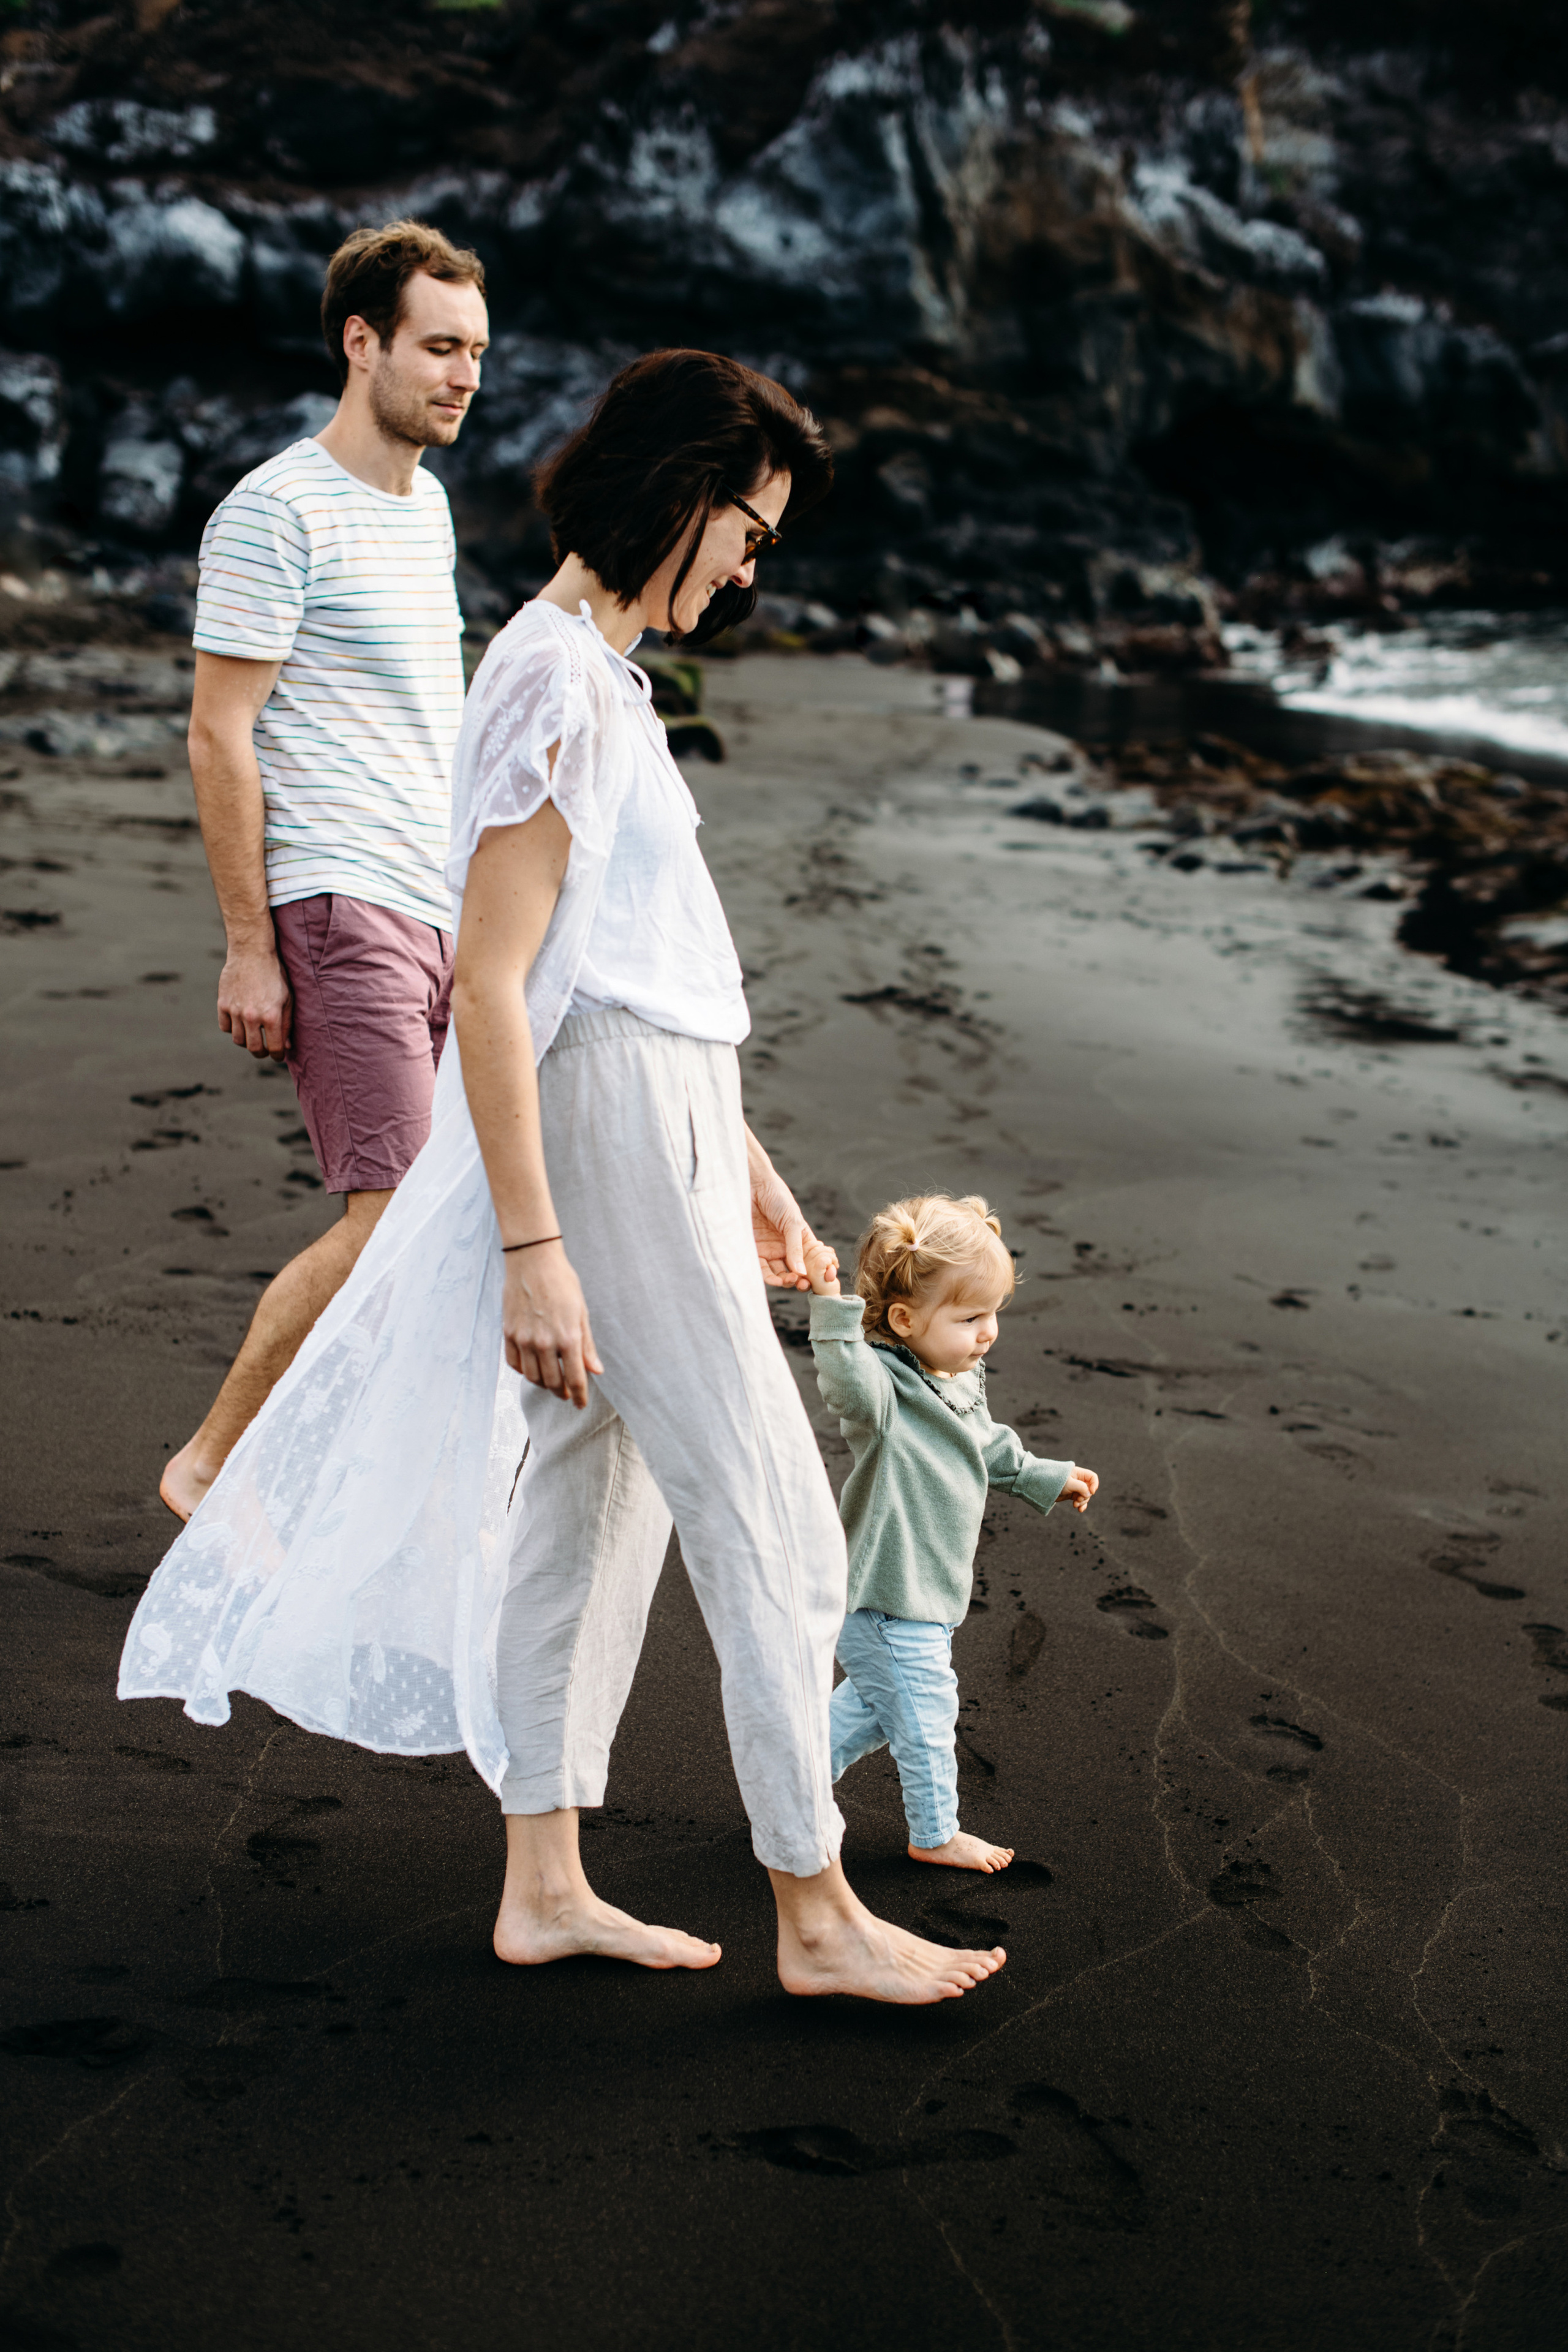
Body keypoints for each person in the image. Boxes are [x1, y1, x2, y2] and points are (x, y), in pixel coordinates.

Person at [121, 349, 1006, 2007]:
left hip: (651, 1119)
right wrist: (536, 1242)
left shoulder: (591, 675)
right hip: (598, 1142)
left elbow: (625, 972)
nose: (755, 565)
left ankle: (545, 1884)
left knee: (586, 1515)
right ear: (682, 492)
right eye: (750, 527)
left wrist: (746, 1169)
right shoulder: (548, 681)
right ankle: (814, 1918)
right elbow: (502, 987)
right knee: (776, 1522)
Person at [159, 219, 490, 1523]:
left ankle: (361, 1481)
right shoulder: (274, 512)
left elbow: (434, 725)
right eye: (438, 348)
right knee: (393, 1216)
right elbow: (218, 731)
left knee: (457, 1212)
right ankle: (211, 1466)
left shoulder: (433, 510)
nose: (463, 376)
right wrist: (250, 943)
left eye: (474, 352)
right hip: (340, 904)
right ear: (361, 343)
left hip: (443, 907)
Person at [807, 1195, 1099, 1873]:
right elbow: (845, 1383)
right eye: (970, 1318)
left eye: (993, 1313)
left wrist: (1043, 1477)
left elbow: (987, 1446)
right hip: (884, 1593)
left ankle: (790, 1778)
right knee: (928, 1715)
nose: (988, 1332)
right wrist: (830, 1308)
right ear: (905, 1320)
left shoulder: (959, 1375)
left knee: (881, 1711)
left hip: (928, 1590)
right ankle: (934, 1832)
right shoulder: (881, 1391)